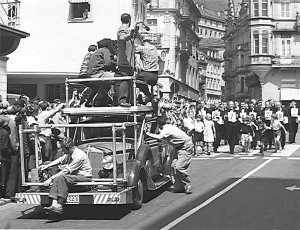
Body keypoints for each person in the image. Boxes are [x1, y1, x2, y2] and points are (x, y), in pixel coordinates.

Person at [40, 137, 92, 216]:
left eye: (62, 148)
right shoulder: (69, 153)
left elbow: (66, 170)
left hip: (84, 179)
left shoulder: (79, 155)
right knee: (58, 177)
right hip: (74, 178)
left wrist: (50, 179)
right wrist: (47, 166)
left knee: (61, 177)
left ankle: (59, 205)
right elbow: (60, 160)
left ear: (66, 147)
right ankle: (54, 204)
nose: (61, 150)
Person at [146, 117, 193, 194]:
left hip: (185, 147)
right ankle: (179, 187)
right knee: (173, 166)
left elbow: (160, 137)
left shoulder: (166, 130)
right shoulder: (168, 127)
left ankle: (188, 184)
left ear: (158, 125)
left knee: (179, 167)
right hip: (178, 147)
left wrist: (148, 134)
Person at [135, 37, 159, 104]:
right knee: (141, 83)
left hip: (147, 74)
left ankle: (132, 99)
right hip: (155, 76)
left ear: (142, 41)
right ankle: (150, 96)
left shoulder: (143, 48)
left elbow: (133, 48)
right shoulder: (154, 48)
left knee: (131, 80)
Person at [116, 13, 133, 107]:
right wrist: (130, 35)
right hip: (124, 61)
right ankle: (122, 100)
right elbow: (122, 38)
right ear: (129, 20)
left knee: (128, 80)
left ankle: (128, 100)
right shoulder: (123, 29)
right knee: (125, 79)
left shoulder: (125, 29)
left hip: (127, 61)